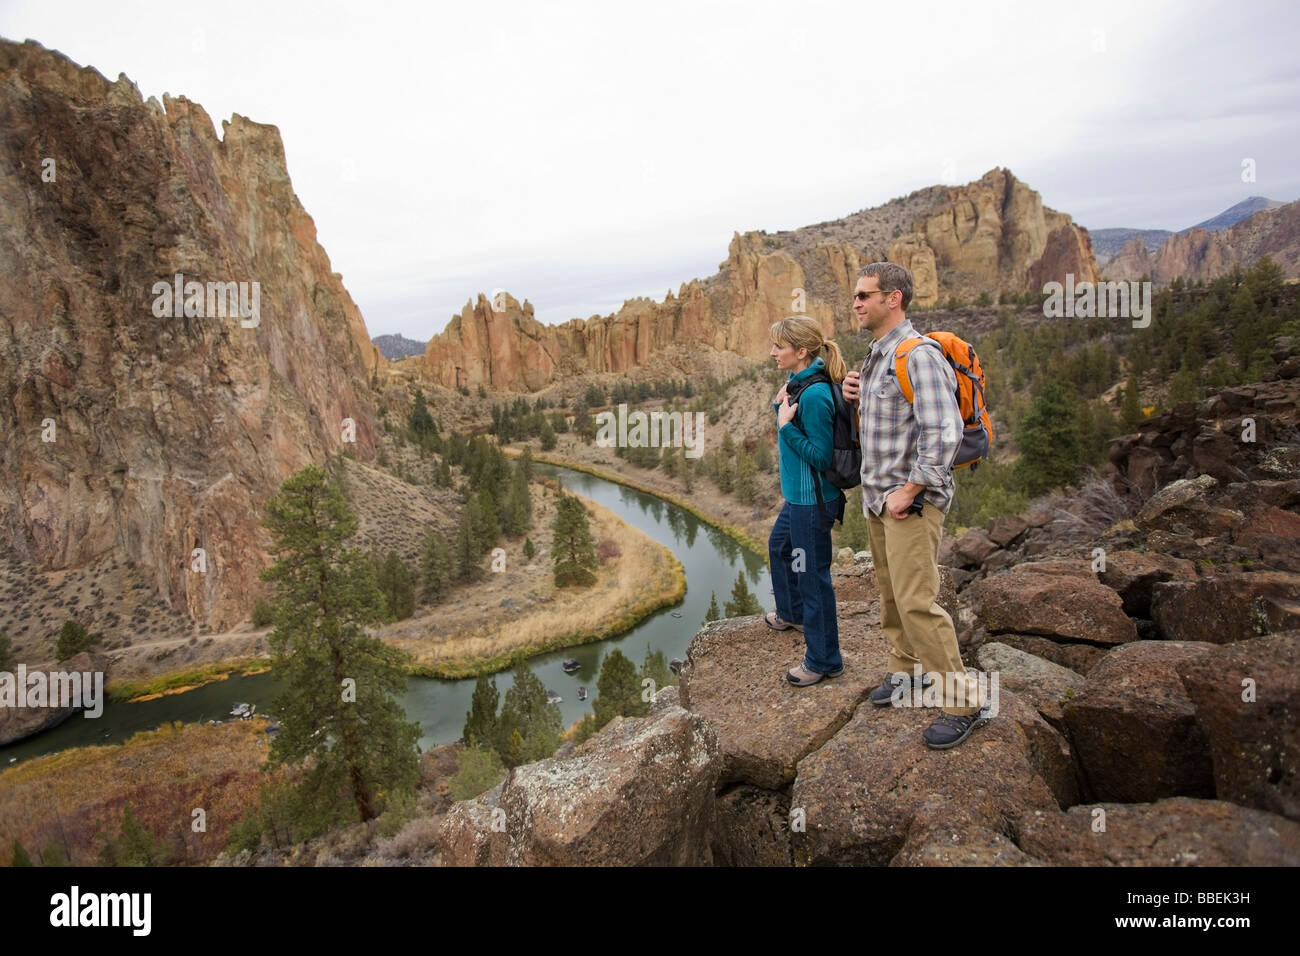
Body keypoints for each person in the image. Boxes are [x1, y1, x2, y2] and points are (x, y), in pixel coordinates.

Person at [840, 263, 986, 748]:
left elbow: (943, 430)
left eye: (865, 295)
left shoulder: (917, 354)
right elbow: (889, 426)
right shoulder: (879, 354)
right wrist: (854, 397)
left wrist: (913, 488)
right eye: (855, 296)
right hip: (879, 500)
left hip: (911, 503)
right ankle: (906, 672)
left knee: (917, 603)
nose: (856, 303)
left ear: (894, 298)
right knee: (890, 596)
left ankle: (964, 702)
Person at [766, 316, 848, 686]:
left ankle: (824, 660)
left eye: (779, 346)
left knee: (812, 577)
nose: (772, 353)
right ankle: (792, 613)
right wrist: (779, 407)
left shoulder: (814, 394)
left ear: (801, 351)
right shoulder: (798, 385)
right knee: (779, 547)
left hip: (812, 504)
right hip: (798, 499)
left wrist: (785, 426)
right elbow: (790, 423)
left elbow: (820, 455)